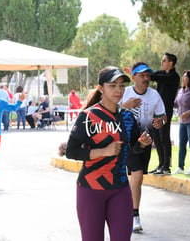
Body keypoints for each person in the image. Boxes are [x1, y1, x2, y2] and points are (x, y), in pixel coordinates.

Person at [65, 66, 152, 241]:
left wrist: (142, 145)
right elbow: (71, 151)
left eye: (121, 85)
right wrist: (103, 152)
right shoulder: (88, 117)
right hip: (91, 189)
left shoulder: (127, 117)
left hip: (120, 189)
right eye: (113, 85)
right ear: (101, 88)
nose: (118, 90)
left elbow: (132, 150)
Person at [120, 62, 166, 232]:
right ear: (134, 77)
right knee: (136, 176)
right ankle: (134, 217)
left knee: (134, 178)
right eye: (142, 75)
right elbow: (110, 111)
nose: (146, 78)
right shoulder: (124, 93)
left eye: (148, 75)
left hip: (144, 140)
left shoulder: (154, 96)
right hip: (125, 140)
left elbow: (163, 117)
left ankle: (127, 210)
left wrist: (160, 122)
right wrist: (126, 106)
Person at [149, 52, 180, 175]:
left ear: (170, 63)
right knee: (156, 137)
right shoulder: (160, 73)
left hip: (165, 112)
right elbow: (152, 76)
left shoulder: (174, 76)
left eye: (164, 60)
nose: (161, 63)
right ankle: (161, 164)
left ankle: (167, 166)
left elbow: (160, 78)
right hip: (155, 110)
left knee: (164, 137)